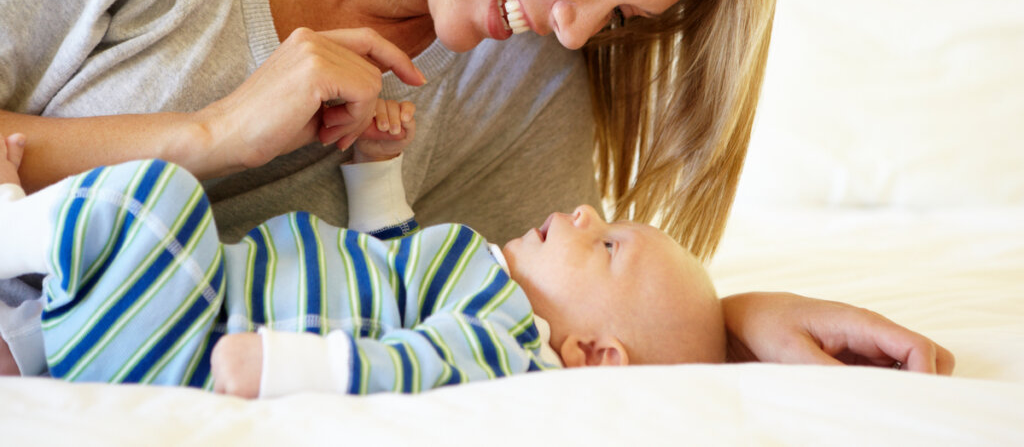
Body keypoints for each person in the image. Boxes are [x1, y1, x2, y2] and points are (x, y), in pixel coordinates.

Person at [0, 0, 951, 373]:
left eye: (621, 15)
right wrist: (211, 136)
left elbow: (549, 327)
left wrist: (730, 329)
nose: (575, 32)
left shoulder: (525, 87)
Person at [0, 104, 728, 395]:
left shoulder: (508, 342)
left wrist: (289, 366)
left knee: (158, 200)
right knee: (78, 289)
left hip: (200, 338)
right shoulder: (479, 280)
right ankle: (25, 342)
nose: (586, 211)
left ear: (595, 353)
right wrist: (377, 168)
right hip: (179, 312)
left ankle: (10, 224)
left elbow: (414, 363)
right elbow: (385, 266)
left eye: (608, 243)